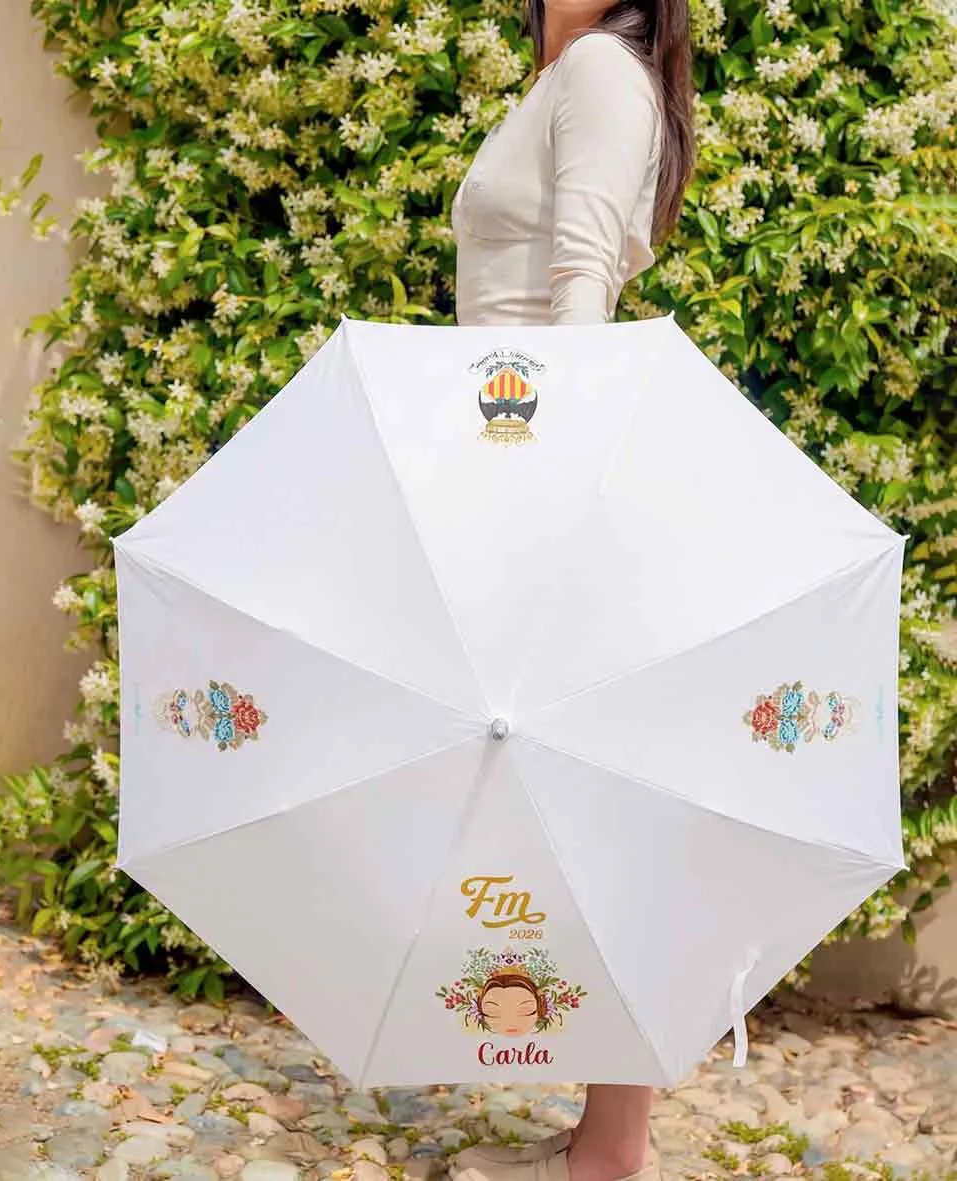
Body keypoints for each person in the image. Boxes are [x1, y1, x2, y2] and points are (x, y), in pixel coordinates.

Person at [449, 1, 696, 1180]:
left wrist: (553, 494)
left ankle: (613, 1147)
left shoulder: (601, 66)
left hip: (540, 467)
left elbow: (582, 288)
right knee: (571, 794)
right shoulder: (581, 73)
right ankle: (607, 1132)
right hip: (516, 454)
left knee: (589, 807)